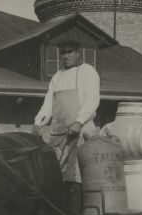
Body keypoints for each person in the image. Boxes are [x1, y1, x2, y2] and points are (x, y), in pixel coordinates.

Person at [33, 39, 100, 183]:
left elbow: (92, 100)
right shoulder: (58, 76)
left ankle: (81, 203)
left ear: (77, 54)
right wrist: (38, 122)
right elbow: (49, 103)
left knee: (80, 174)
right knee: (57, 175)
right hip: (59, 134)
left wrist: (78, 122)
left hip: (81, 130)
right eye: (63, 53)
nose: (66, 56)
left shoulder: (87, 71)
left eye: (69, 52)